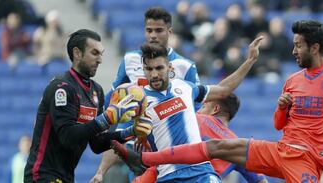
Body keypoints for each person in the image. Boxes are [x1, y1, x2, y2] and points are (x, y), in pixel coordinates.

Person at [111, 20, 323, 183]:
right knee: (215, 146)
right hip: (280, 150)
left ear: (315, 47)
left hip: (307, 160)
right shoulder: (293, 80)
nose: (293, 50)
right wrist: (281, 107)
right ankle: (143, 158)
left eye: (298, 45)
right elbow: (279, 125)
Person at [112, 36, 263, 182]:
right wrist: (142, 137)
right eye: (149, 69)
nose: (154, 74)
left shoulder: (184, 87)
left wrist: (250, 61)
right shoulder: (139, 99)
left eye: (159, 68)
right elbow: (129, 128)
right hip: (167, 175)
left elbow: (223, 90)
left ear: (169, 67)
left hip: (200, 171)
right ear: (143, 70)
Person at [23, 29, 151, 182]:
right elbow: (68, 137)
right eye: (94, 53)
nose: (100, 60)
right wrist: (106, 118)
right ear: (77, 53)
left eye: (101, 54)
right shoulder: (62, 88)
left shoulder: (96, 91)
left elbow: (96, 143)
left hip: (66, 177)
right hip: (42, 176)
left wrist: (130, 132)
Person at [91, 7, 201, 182]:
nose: (153, 35)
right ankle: (100, 173)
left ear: (169, 31)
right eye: (149, 30)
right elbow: (114, 94)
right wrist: (96, 115)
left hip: (166, 133)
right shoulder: (130, 60)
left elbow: (195, 108)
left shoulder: (184, 65)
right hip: (134, 128)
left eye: (159, 30)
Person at [108, 94, 269, 183]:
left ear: (215, 109)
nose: (199, 109)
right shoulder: (237, 145)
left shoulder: (191, 119)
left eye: (204, 106)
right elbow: (260, 181)